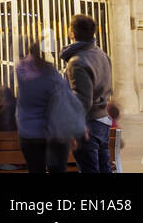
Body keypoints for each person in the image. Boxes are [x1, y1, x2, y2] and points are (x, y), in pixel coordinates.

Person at [60, 14, 114, 174]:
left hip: (88, 124)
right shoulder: (102, 55)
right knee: (104, 168)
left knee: (89, 169)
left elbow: (82, 100)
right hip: (103, 120)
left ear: (72, 33)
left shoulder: (77, 62)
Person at [15, 43, 69, 174]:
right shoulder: (50, 73)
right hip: (53, 133)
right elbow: (62, 98)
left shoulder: (20, 71)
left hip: (28, 132)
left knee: (35, 170)